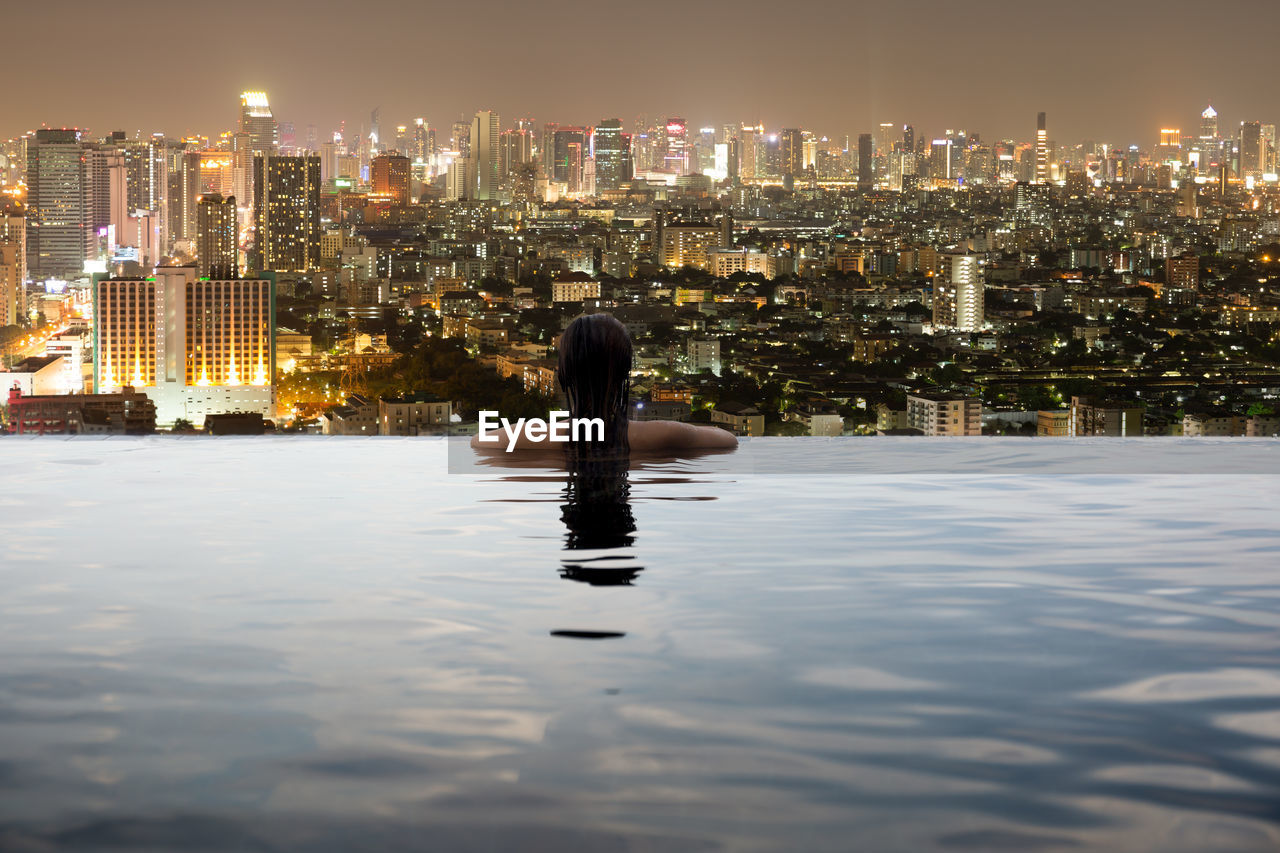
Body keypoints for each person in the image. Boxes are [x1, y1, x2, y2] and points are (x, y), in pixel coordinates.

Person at [473, 313, 738, 454]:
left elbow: (477, 441)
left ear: (564, 373)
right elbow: (728, 440)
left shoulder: (529, 436)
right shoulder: (665, 435)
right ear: (626, 372)